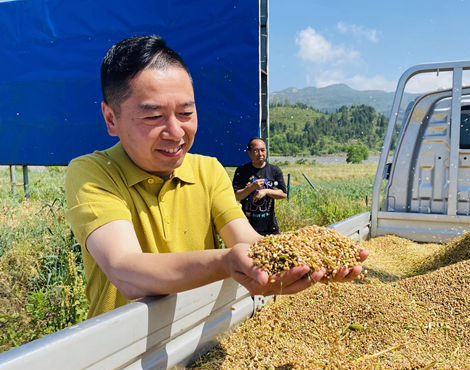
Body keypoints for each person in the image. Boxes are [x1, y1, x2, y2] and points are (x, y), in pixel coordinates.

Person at [65, 35, 369, 319]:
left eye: (186, 114)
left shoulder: (208, 171)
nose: (176, 132)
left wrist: (291, 258)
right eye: (153, 117)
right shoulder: (94, 174)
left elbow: (248, 242)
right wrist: (226, 262)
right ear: (110, 118)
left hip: (199, 335)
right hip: (117, 355)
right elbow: (126, 270)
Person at [232, 138, 287, 236]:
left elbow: (283, 194)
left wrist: (266, 191)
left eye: (263, 150)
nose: (260, 154)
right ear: (249, 153)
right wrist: (251, 188)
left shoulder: (274, 170)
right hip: (246, 226)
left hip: (269, 227)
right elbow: (236, 196)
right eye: (256, 151)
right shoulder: (242, 171)